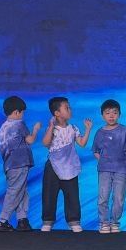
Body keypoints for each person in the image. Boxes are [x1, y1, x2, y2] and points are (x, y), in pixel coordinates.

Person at [41, 97, 92, 232]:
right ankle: (48, 221)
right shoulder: (53, 129)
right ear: (57, 113)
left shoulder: (73, 128)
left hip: (69, 166)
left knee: (72, 194)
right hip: (53, 165)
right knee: (49, 193)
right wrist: (51, 127)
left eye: (69, 107)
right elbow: (45, 143)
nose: (70, 110)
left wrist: (87, 129)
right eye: (66, 108)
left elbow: (82, 143)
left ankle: (74, 221)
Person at [0, 96, 41, 232]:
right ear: (16, 112)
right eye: (22, 112)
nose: (23, 115)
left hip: (9, 164)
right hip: (20, 163)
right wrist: (36, 129)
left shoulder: (3, 127)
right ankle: (3, 220)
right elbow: (30, 140)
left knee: (21, 190)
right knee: (15, 191)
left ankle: (22, 219)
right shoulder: (19, 124)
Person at [91, 99, 126, 234]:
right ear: (102, 115)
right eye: (107, 113)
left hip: (121, 169)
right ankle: (104, 223)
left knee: (119, 198)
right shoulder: (99, 132)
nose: (111, 116)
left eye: (114, 112)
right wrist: (103, 160)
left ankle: (115, 222)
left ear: (119, 114)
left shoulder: (125, 130)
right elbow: (95, 151)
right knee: (103, 197)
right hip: (104, 170)